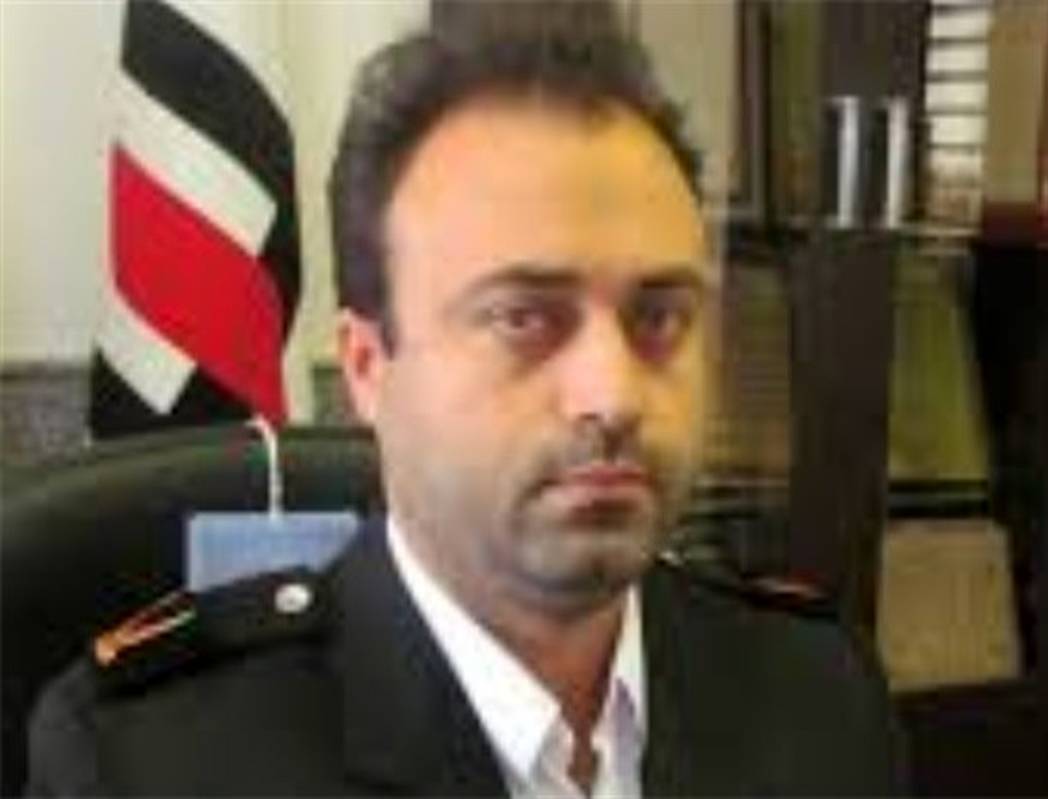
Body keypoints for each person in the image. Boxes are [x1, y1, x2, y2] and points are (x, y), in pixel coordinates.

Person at [27, 3, 903, 795]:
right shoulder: (151, 764)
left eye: (659, 317)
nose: (613, 393)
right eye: (523, 317)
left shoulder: (818, 696)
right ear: (367, 365)